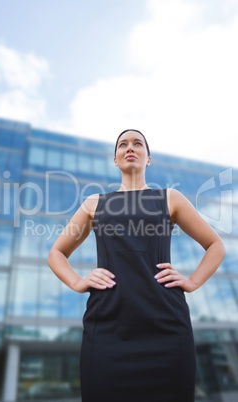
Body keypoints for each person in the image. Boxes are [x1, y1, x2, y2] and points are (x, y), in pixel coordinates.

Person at [47, 129, 226, 402]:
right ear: (115, 159)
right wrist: (77, 282)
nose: (130, 147)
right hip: (107, 330)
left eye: (137, 143)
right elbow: (57, 253)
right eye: (123, 145)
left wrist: (192, 281)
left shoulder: (170, 198)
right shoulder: (94, 204)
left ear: (148, 158)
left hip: (167, 328)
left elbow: (216, 245)